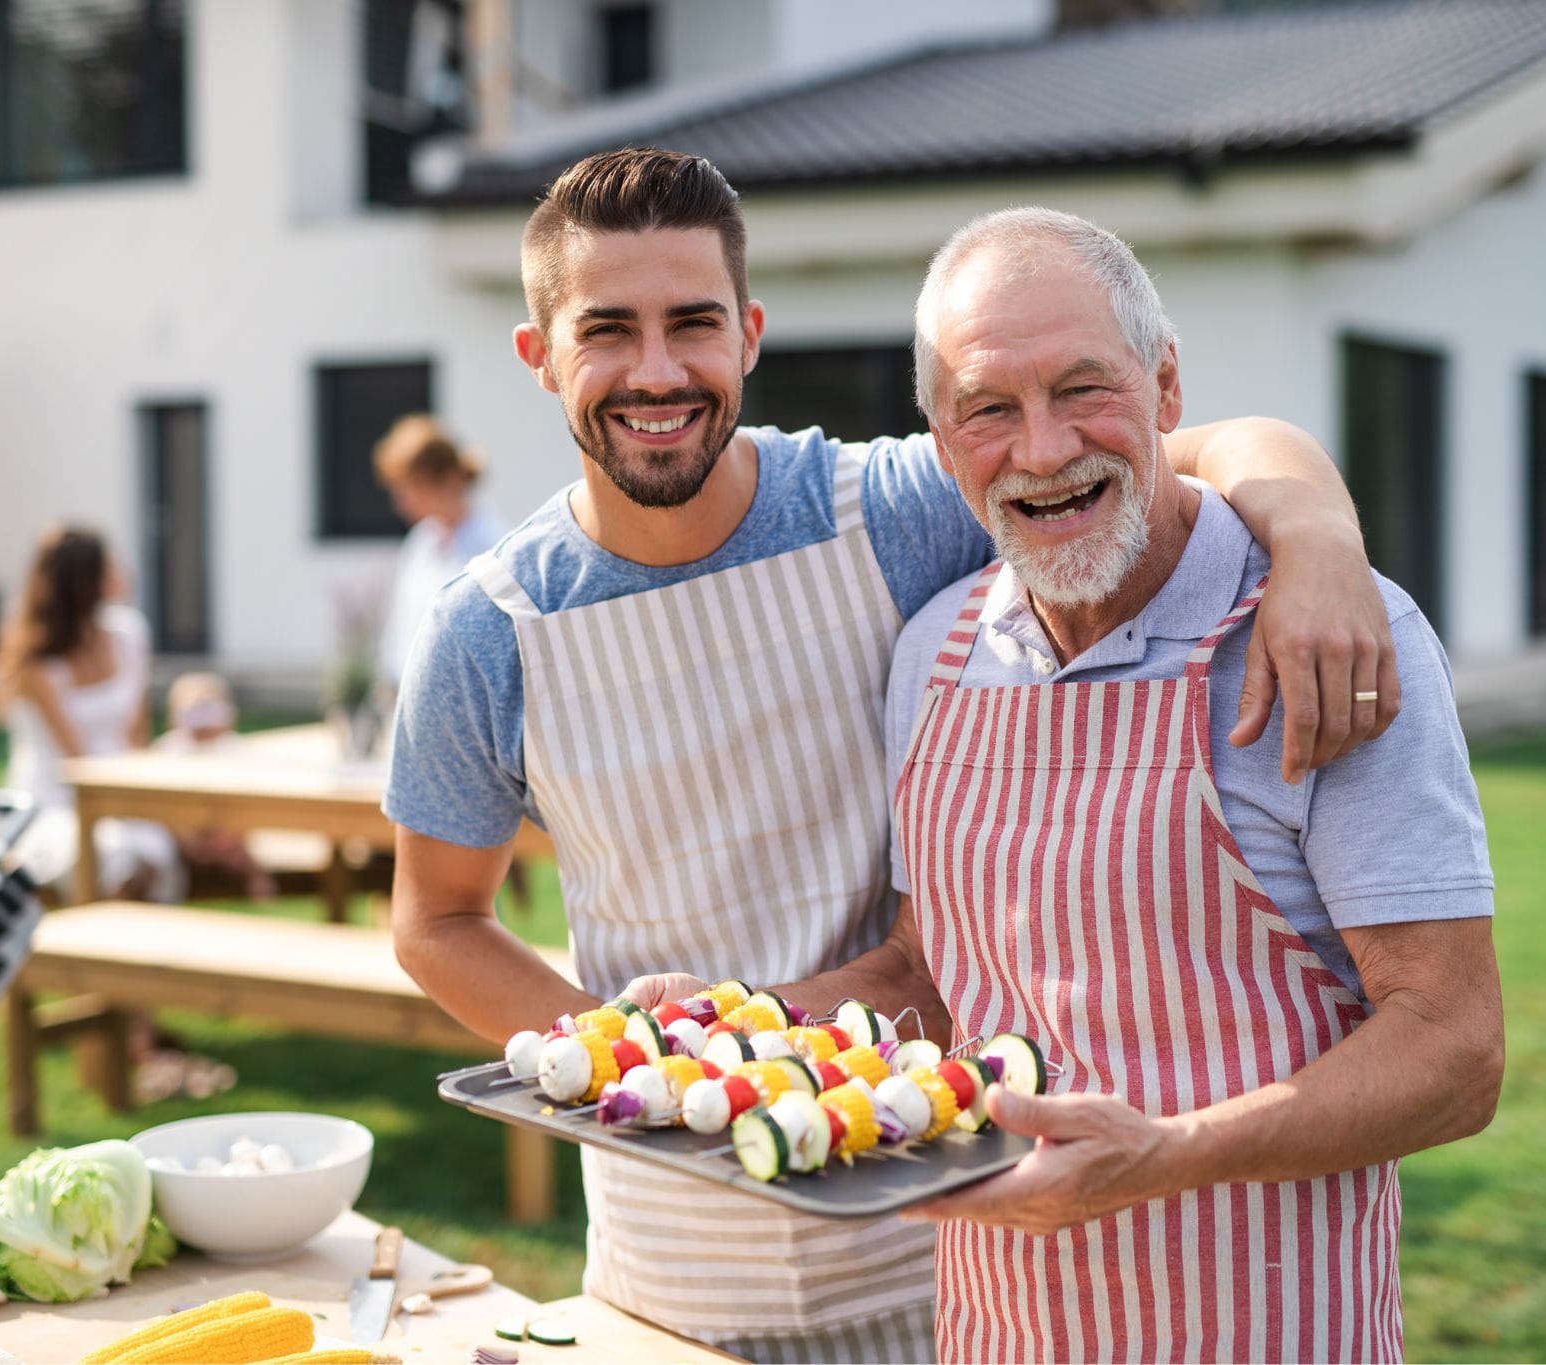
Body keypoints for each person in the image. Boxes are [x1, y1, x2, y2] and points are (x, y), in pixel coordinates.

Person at [385, 149, 1401, 1363]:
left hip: (950, 1229)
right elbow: (434, 920)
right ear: (539, 353)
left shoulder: (889, 508)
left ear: (749, 334)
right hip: (672, 1263)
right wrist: (634, 1074)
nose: (656, 371)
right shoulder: (484, 630)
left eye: (692, 323)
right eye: (607, 330)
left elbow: (1204, 439)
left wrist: (1319, 539)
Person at [646, 207, 1502, 1362]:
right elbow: (927, 976)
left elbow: (1451, 1051)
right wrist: (732, 1031)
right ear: (942, 444)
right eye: (988, 409)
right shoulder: (934, 653)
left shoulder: (1322, 639)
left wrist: (1171, 1152)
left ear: (1163, 391)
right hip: (994, 1329)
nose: (1041, 450)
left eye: (1081, 389)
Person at [0, 525, 184, 904]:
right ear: (82, 581)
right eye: (108, 565)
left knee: (155, 853)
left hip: (121, 789)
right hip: (54, 799)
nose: (122, 571)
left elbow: (136, 735)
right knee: (114, 856)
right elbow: (76, 762)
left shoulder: (130, 633)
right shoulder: (36, 665)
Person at [373, 414, 509, 689]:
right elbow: (401, 625)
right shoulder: (421, 542)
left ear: (449, 479)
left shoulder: (494, 546)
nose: (402, 501)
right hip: (413, 693)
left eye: (413, 486)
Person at [154, 672, 275, 902]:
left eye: (209, 712)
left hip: (229, 836)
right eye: (193, 713)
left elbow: (250, 799)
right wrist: (189, 842)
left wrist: (229, 838)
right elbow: (162, 807)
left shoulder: (235, 750)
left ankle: (261, 892)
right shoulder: (168, 752)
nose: (203, 723)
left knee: (251, 865)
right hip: (183, 839)